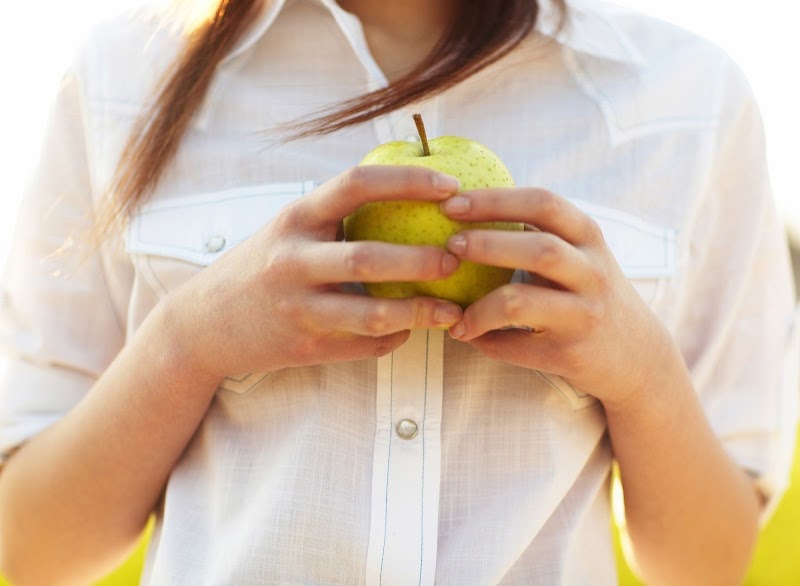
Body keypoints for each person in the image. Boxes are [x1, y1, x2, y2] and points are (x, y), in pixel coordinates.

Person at [0, 0, 797, 583]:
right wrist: (190, 341)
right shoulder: (121, 77)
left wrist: (642, 372)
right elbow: (29, 548)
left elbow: (709, 563)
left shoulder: (691, 100)